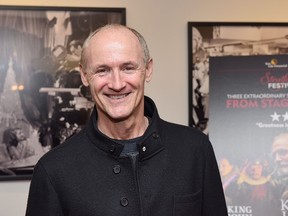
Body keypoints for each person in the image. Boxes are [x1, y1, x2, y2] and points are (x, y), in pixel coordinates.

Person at [25, 24, 228, 216]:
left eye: (128, 68)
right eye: (102, 70)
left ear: (147, 70)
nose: (117, 84)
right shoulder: (53, 170)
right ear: (85, 76)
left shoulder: (195, 149)